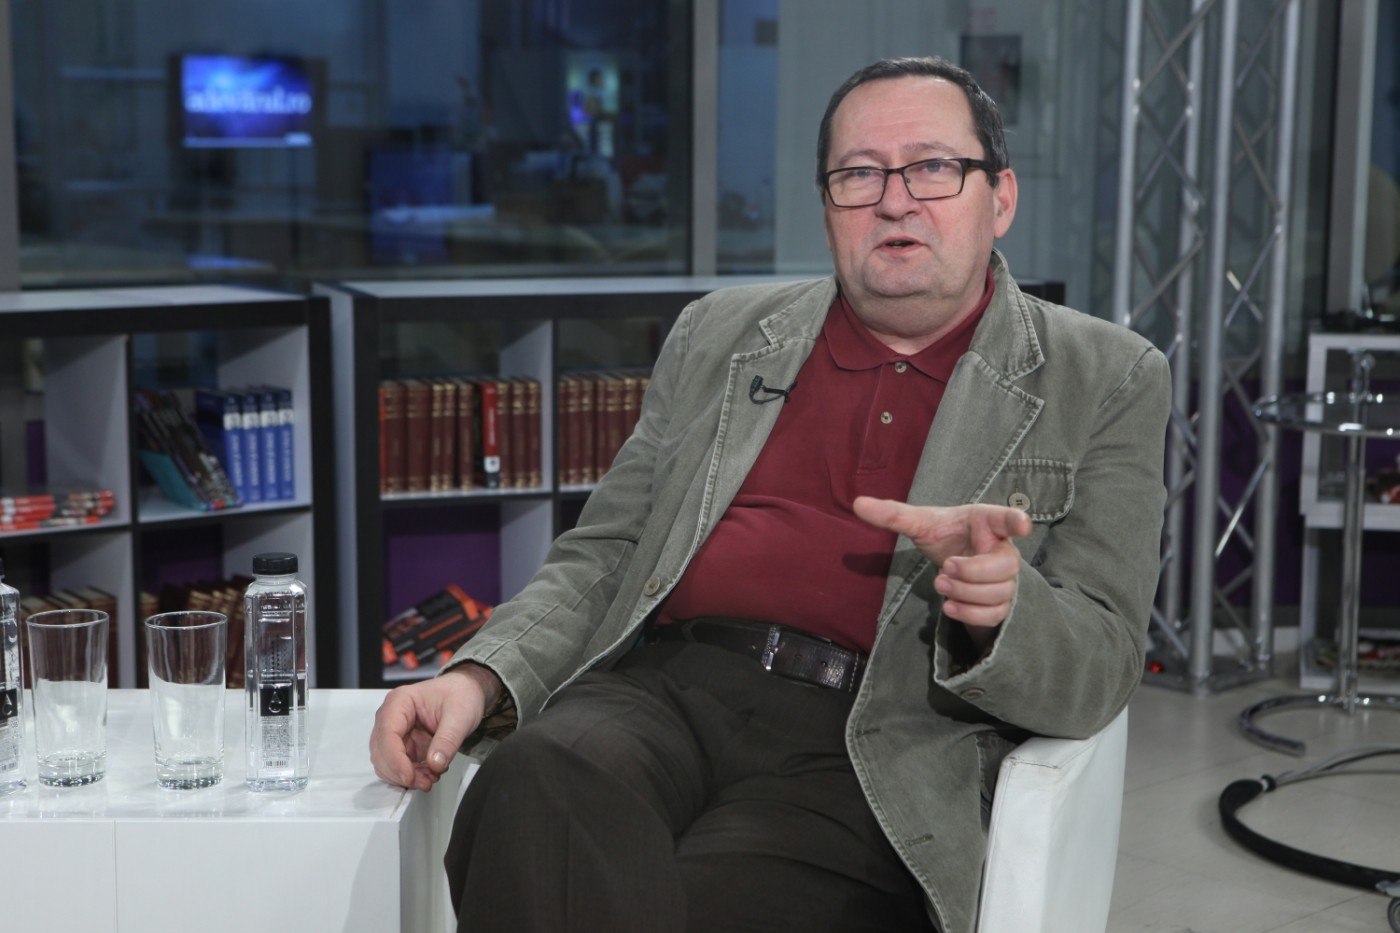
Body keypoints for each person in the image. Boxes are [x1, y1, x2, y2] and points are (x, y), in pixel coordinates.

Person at [370, 55, 1170, 933]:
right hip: (662, 689)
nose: (895, 201)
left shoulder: (1107, 376)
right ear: (828, 209)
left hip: (875, 739)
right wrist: (480, 674)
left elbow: (1104, 654)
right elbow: (605, 553)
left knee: (703, 908)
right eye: (859, 174)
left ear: (1001, 198)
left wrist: (1005, 610)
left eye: (933, 167)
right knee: (533, 783)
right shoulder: (718, 332)